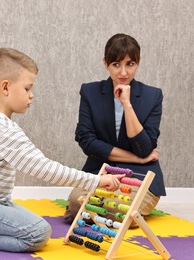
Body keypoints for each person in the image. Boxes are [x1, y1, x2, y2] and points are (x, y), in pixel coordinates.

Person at [0, 48, 124, 252]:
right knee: (38, 233)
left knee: (27, 221)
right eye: (27, 88)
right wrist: (95, 181)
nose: (31, 96)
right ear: (5, 87)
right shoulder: (3, 130)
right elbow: (44, 169)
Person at [63, 33, 166, 225]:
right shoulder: (90, 91)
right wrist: (137, 158)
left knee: (124, 214)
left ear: (138, 62)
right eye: (116, 64)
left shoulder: (153, 96)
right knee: (76, 205)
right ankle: (99, 211)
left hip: (139, 175)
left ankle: (107, 211)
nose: (123, 73)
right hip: (101, 172)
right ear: (105, 63)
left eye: (130, 64)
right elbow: (86, 140)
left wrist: (127, 104)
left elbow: (144, 147)